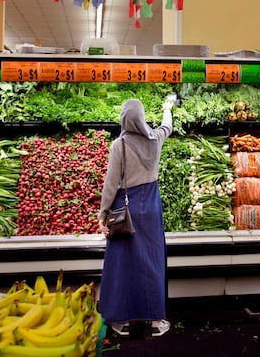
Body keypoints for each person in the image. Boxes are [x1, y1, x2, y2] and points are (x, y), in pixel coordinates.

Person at [98, 98, 174, 338]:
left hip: (125, 209)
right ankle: (156, 320)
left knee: (123, 262)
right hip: (151, 207)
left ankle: (121, 320)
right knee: (152, 260)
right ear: (141, 118)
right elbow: (167, 126)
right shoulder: (155, 139)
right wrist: (167, 109)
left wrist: (103, 214)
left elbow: (111, 184)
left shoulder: (119, 145)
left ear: (123, 119)